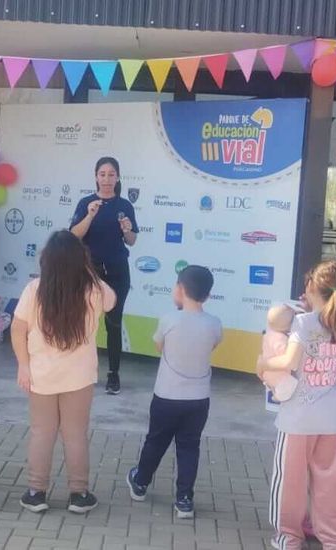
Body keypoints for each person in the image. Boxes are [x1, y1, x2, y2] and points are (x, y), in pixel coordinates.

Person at [12, 230, 115, 514]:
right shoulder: (93, 290)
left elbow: (17, 329)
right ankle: (79, 495)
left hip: (40, 375)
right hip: (79, 377)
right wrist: (86, 269)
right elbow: (113, 299)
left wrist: (23, 364)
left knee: (42, 433)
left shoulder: (34, 289)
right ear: (80, 259)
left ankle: (36, 493)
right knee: (76, 434)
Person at [258, 261, 336, 550]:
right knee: (329, 482)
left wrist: (262, 363)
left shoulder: (303, 322)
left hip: (298, 419)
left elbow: (288, 361)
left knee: (290, 481)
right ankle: (333, 540)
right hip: (332, 418)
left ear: (312, 287)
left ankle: (288, 536)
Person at [126, 265, 222, 519]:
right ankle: (184, 499)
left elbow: (159, 346)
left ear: (180, 289)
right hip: (199, 400)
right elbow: (212, 345)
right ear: (208, 295)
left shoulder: (169, 320)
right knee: (189, 447)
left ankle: (140, 483)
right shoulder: (214, 323)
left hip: (166, 397)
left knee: (155, 441)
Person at [69, 157, 138, 395]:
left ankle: (113, 375)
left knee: (114, 324)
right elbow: (74, 235)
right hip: (90, 272)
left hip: (118, 271)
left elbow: (132, 240)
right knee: (84, 321)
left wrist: (127, 230)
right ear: (96, 177)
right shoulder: (86, 202)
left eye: (111, 174)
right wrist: (89, 216)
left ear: (118, 177)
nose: (107, 179)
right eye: (102, 174)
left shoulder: (125, 205)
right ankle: (79, 371)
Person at [260, 304, 298, 402]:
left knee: (274, 385)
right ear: (289, 326)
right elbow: (287, 357)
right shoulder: (282, 339)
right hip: (279, 375)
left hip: (267, 373)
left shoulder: (267, 335)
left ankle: (274, 392)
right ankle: (278, 396)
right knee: (292, 384)